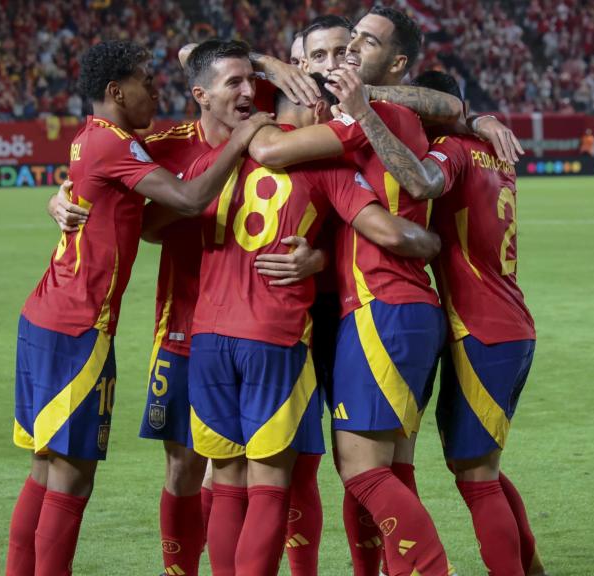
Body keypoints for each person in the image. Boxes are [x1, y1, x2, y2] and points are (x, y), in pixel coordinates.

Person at [48, 39, 327, 576]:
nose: (248, 91)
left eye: (254, 81)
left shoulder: (282, 139)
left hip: (269, 328)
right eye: (236, 82)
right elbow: (101, 175)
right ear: (202, 95)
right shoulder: (170, 144)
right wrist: (61, 196)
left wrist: (316, 258)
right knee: (185, 467)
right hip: (183, 328)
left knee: (279, 471)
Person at [5, 40, 272, 576]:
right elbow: (191, 200)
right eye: (146, 84)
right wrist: (245, 136)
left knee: (44, 466)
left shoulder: (94, 138)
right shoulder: (117, 145)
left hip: (48, 317)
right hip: (78, 326)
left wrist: (61, 195)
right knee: (71, 476)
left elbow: (124, 208)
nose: (156, 91)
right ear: (115, 91)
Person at [181, 71, 442, 576]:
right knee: (270, 487)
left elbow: (157, 220)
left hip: (207, 340)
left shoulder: (213, 160)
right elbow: (386, 231)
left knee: (226, 481)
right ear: (315, 110)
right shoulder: (325, 169)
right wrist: (431, 245)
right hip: (273, 339)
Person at [245, 7, 463, 575]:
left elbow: (272, 155)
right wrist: (265, 64)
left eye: (353, 48)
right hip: (381, 309)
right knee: (383, 466)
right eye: (318, 56)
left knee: (360, 468)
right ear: (296, 65)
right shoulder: (342, 117)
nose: (337, 61)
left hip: (373, 310)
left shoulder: (362, 119)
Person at [331, 67, 547, 576]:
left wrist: (367, 111)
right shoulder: (492, 154)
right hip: (504, 323)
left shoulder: (451, 149)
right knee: (481, 469)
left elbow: (424, 182)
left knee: (478, 478)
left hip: (480, 327)